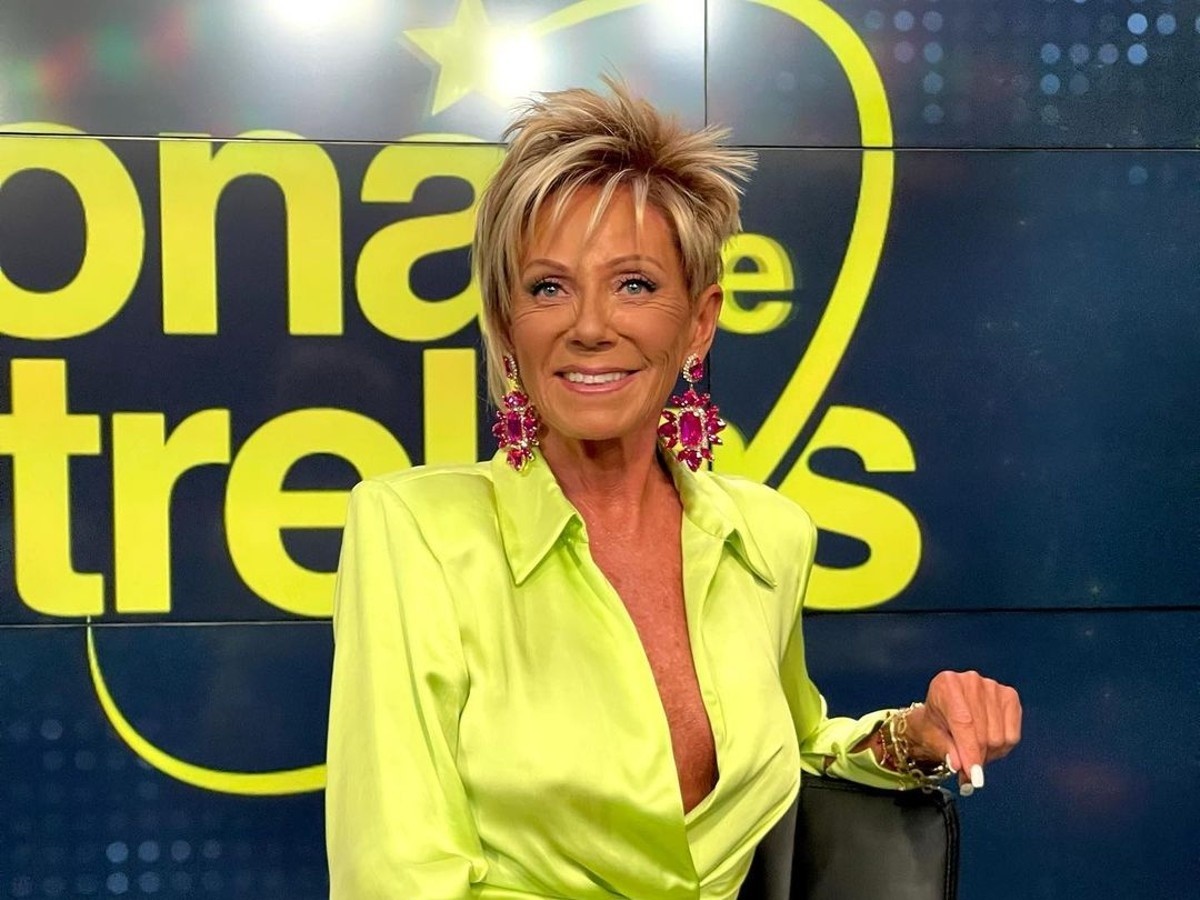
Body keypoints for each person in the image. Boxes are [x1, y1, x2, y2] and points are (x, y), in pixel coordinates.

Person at [325, 81, 1021, 899]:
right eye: (548, 287)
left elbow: (795, 745)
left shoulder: (767, 535)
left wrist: (914, 736)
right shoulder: (413, 532)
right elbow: (395, 873)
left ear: (699, 322)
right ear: (506, 323)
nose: (590, 326)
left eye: (634, 284)